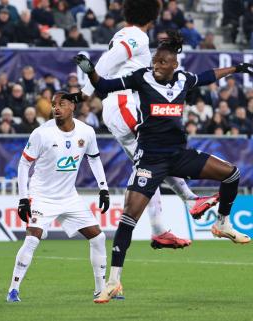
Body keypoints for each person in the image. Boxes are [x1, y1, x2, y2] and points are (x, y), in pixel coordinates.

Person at [75, 30, 251, 303]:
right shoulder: (140, 77)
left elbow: (208, 76)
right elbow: (106, 86)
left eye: (161, 62)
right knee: (128, 219)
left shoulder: (183, 79)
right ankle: (113, 282)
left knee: (231, 174)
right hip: (150, 160)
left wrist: (238, 68)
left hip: (179, 156)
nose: (155, 65)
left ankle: (223, 224)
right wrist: (91, 73)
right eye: (154, 60)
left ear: (173, 65)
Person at [78, 0, 215, 251]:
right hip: (124, 104)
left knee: (150, 165)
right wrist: (85, 93)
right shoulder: (136, 37)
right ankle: (189, 201)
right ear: (152, 18)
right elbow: (110, 60)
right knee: (156, 155)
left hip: (118, 107)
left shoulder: (125, 33)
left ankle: (161, 227)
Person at [6, 91, 110, 303]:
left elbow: (95, 159)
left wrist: (104, 188)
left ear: (73, 106)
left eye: (61, 104)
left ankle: (101, 289)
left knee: (98, 237)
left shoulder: (87, 132)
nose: (56, 108)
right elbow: (24, 164)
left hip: (69, 197)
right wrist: (23, 198)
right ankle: (13, 290)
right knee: (32, 238)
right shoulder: (41, 133)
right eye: (53, 104)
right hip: (41, 196)